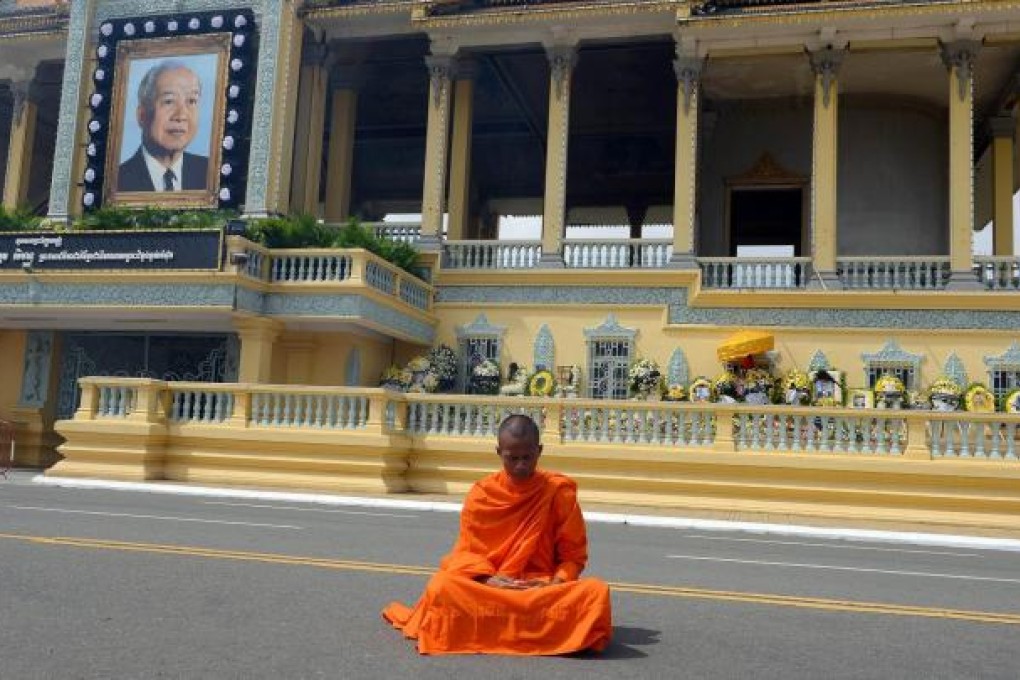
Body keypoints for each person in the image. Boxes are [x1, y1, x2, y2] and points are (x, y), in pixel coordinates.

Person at [382, 414, 612, 655]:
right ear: (499, 452)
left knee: (596, 592)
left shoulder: (558, 492)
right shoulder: (482, 494)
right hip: (491, 586)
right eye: (512, 458)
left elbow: (573, 556)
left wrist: (557, 583)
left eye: (527, 457)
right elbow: (466, 552)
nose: (521, 465)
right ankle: (549, 631)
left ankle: (493, 626)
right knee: (441, 586)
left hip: (539, 587)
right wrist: (485, 578)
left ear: (539, 450)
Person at [118, 60, 209, 192]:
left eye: (191, 101)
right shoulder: (118, 181)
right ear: (142, 115)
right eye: (169, 101)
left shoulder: (211, 174)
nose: (181, 116)